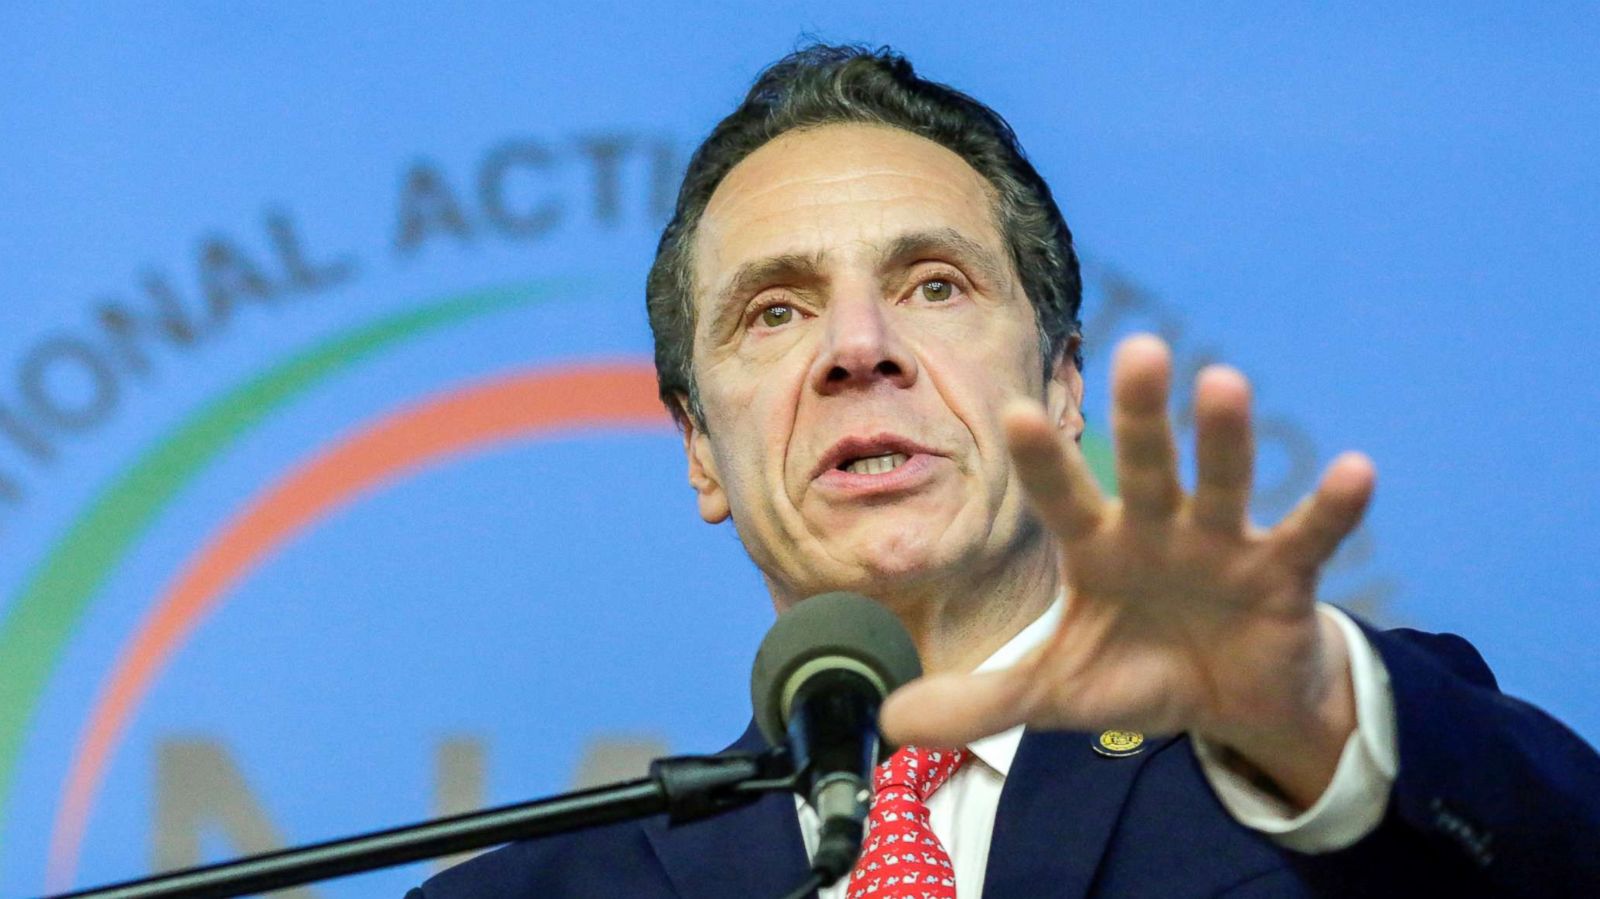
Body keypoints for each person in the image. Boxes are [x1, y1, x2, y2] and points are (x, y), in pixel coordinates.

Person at [410, 44, 1600, 897]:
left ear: (1060, 385)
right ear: (699, 451)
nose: (857, 348)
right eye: (773, 311)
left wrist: (1313, 721)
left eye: (934, 284)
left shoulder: (1292, 761)